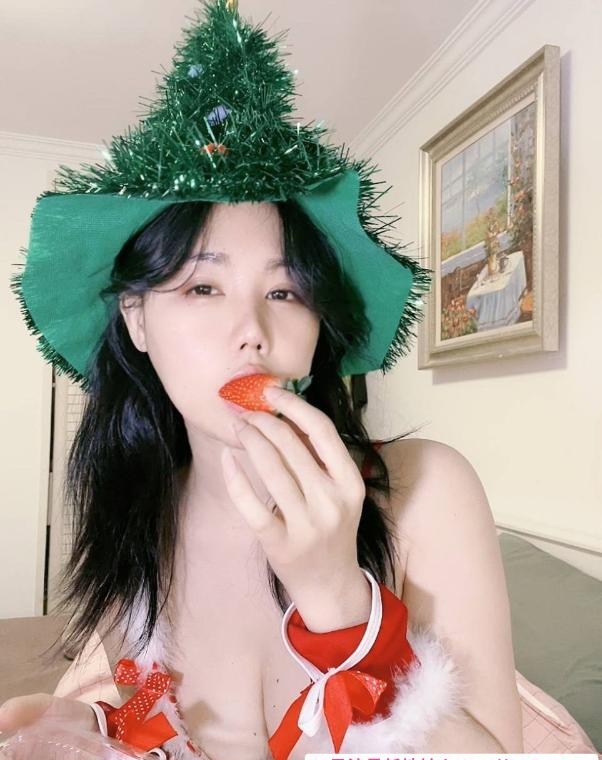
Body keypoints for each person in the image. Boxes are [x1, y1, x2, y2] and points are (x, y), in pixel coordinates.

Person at [1, 1, 524, 757]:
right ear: (138, 320)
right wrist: (109, 729)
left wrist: (338, 601)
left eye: (285, 291)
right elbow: (157, 702)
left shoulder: (426, 490)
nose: (252, 330)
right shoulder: (135, 518)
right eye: (202, 287)